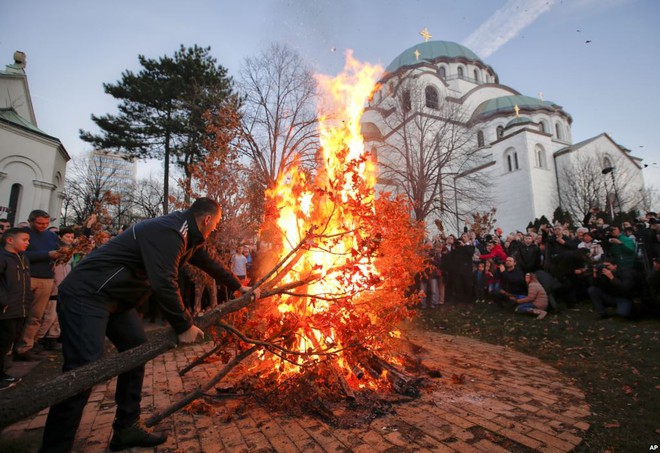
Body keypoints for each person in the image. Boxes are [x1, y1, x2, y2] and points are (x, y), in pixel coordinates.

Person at [39, 198, 261, 453]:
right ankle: (54, 447)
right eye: (217, 223)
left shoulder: (190, 235)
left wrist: (237, 286)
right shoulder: (171, 232)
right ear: (208, 219)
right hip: (88, 295)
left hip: (117, 300)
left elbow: (210, 261)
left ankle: (126, 427)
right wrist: (183, 324)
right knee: (83, 369)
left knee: (136, 349)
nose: (216, 228)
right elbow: (164, 281)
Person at [14, 210, 64, 361]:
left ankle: (27, 346)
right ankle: (11, 348)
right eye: (40, 223)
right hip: (27, 277)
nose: (43, 226)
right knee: (19, 314)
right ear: (30, 221)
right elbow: (19, 254)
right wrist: (46, 255)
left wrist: (62, 254)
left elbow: (58, 250)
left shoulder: (50, 235)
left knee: (37, 315)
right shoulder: (22, 234)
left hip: (46, 278)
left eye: (46, 224)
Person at [0, 227, 33, 390]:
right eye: (24, 240)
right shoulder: (3, 257)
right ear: (10, 240)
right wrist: (3, 301)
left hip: (20, 307)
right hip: (6, 309)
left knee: (8, 342)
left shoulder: (22, 258)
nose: (28, 243)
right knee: (2, 342)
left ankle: (3, 372)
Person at [36, 227, 76, 351]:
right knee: (49, 315)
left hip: (66, 286)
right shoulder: (55, 249)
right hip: (54, 286)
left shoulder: (71, 251)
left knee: (58, 316)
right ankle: (38, 338)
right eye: (67, 237)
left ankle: (52, 337)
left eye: (72, 237)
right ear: (60, 237)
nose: (70, 239)